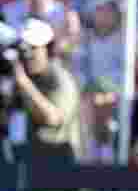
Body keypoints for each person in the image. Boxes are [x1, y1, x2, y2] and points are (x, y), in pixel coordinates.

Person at [5, 17, 81, 164]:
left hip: (57, 161)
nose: (28, 54)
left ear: (48, 48)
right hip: (24, 158)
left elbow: (52, 119)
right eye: (24, 48)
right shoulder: (20, 75)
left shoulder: (60, 79)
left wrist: (24, 84)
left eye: (34, 48)